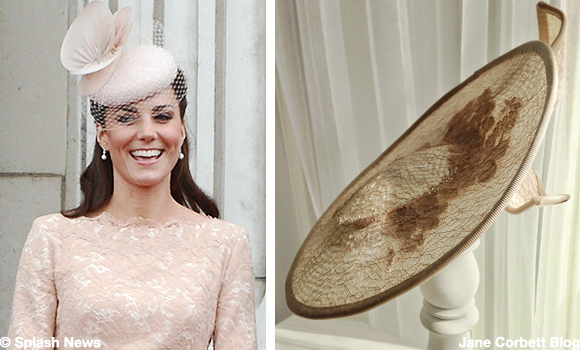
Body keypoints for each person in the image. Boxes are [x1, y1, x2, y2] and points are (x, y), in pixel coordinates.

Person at [7, 2, 257, 349]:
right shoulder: (51, 238)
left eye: (162, 116)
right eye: (126, 118)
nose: (147, 132)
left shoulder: (226, 244)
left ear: (182, 130)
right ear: (102, 134)